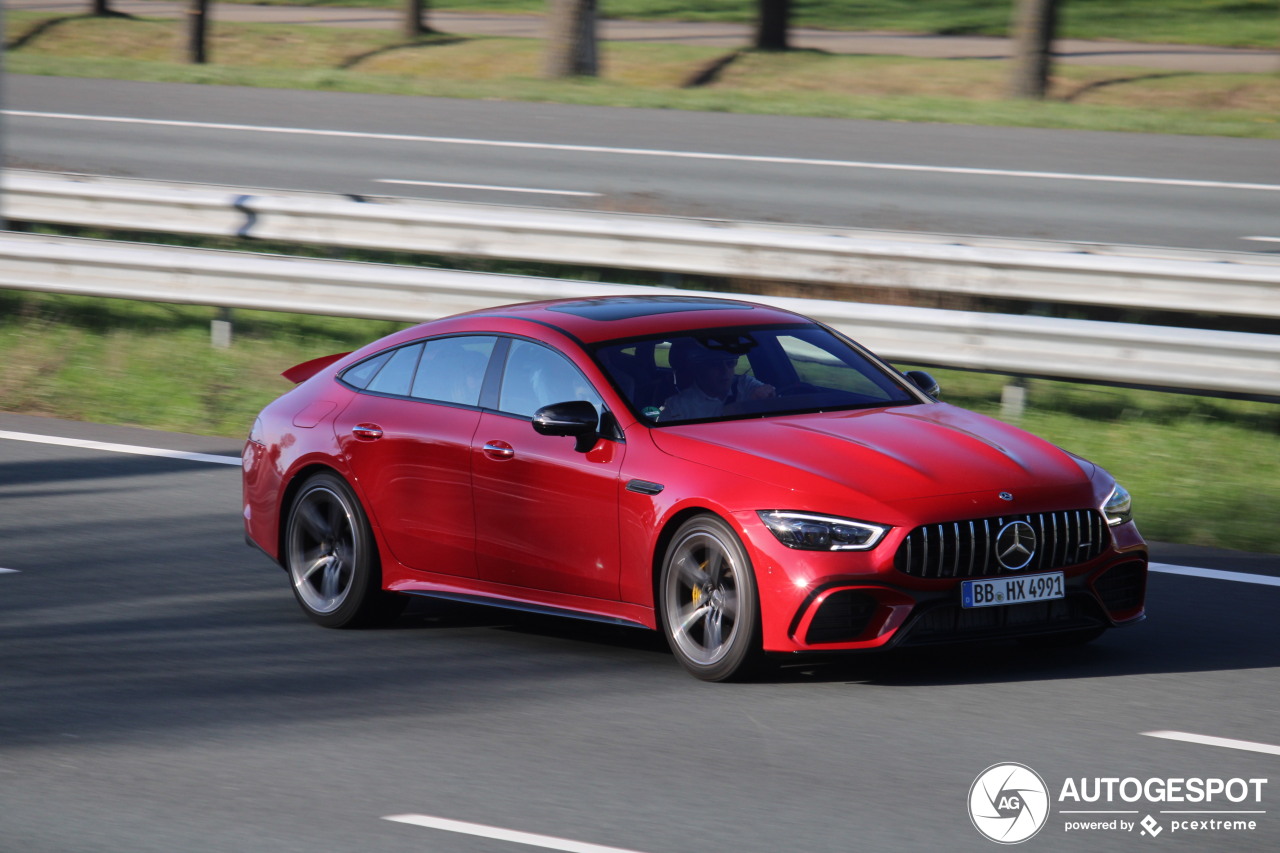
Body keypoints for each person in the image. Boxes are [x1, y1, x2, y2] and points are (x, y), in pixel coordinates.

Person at [660, 339, 775, 421]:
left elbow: (770, 397)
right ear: (700, 369)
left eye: (730, 363)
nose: (725, 371)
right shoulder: (677, 407)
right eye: (715, 365)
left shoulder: (744, 384)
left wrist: (766, 394)